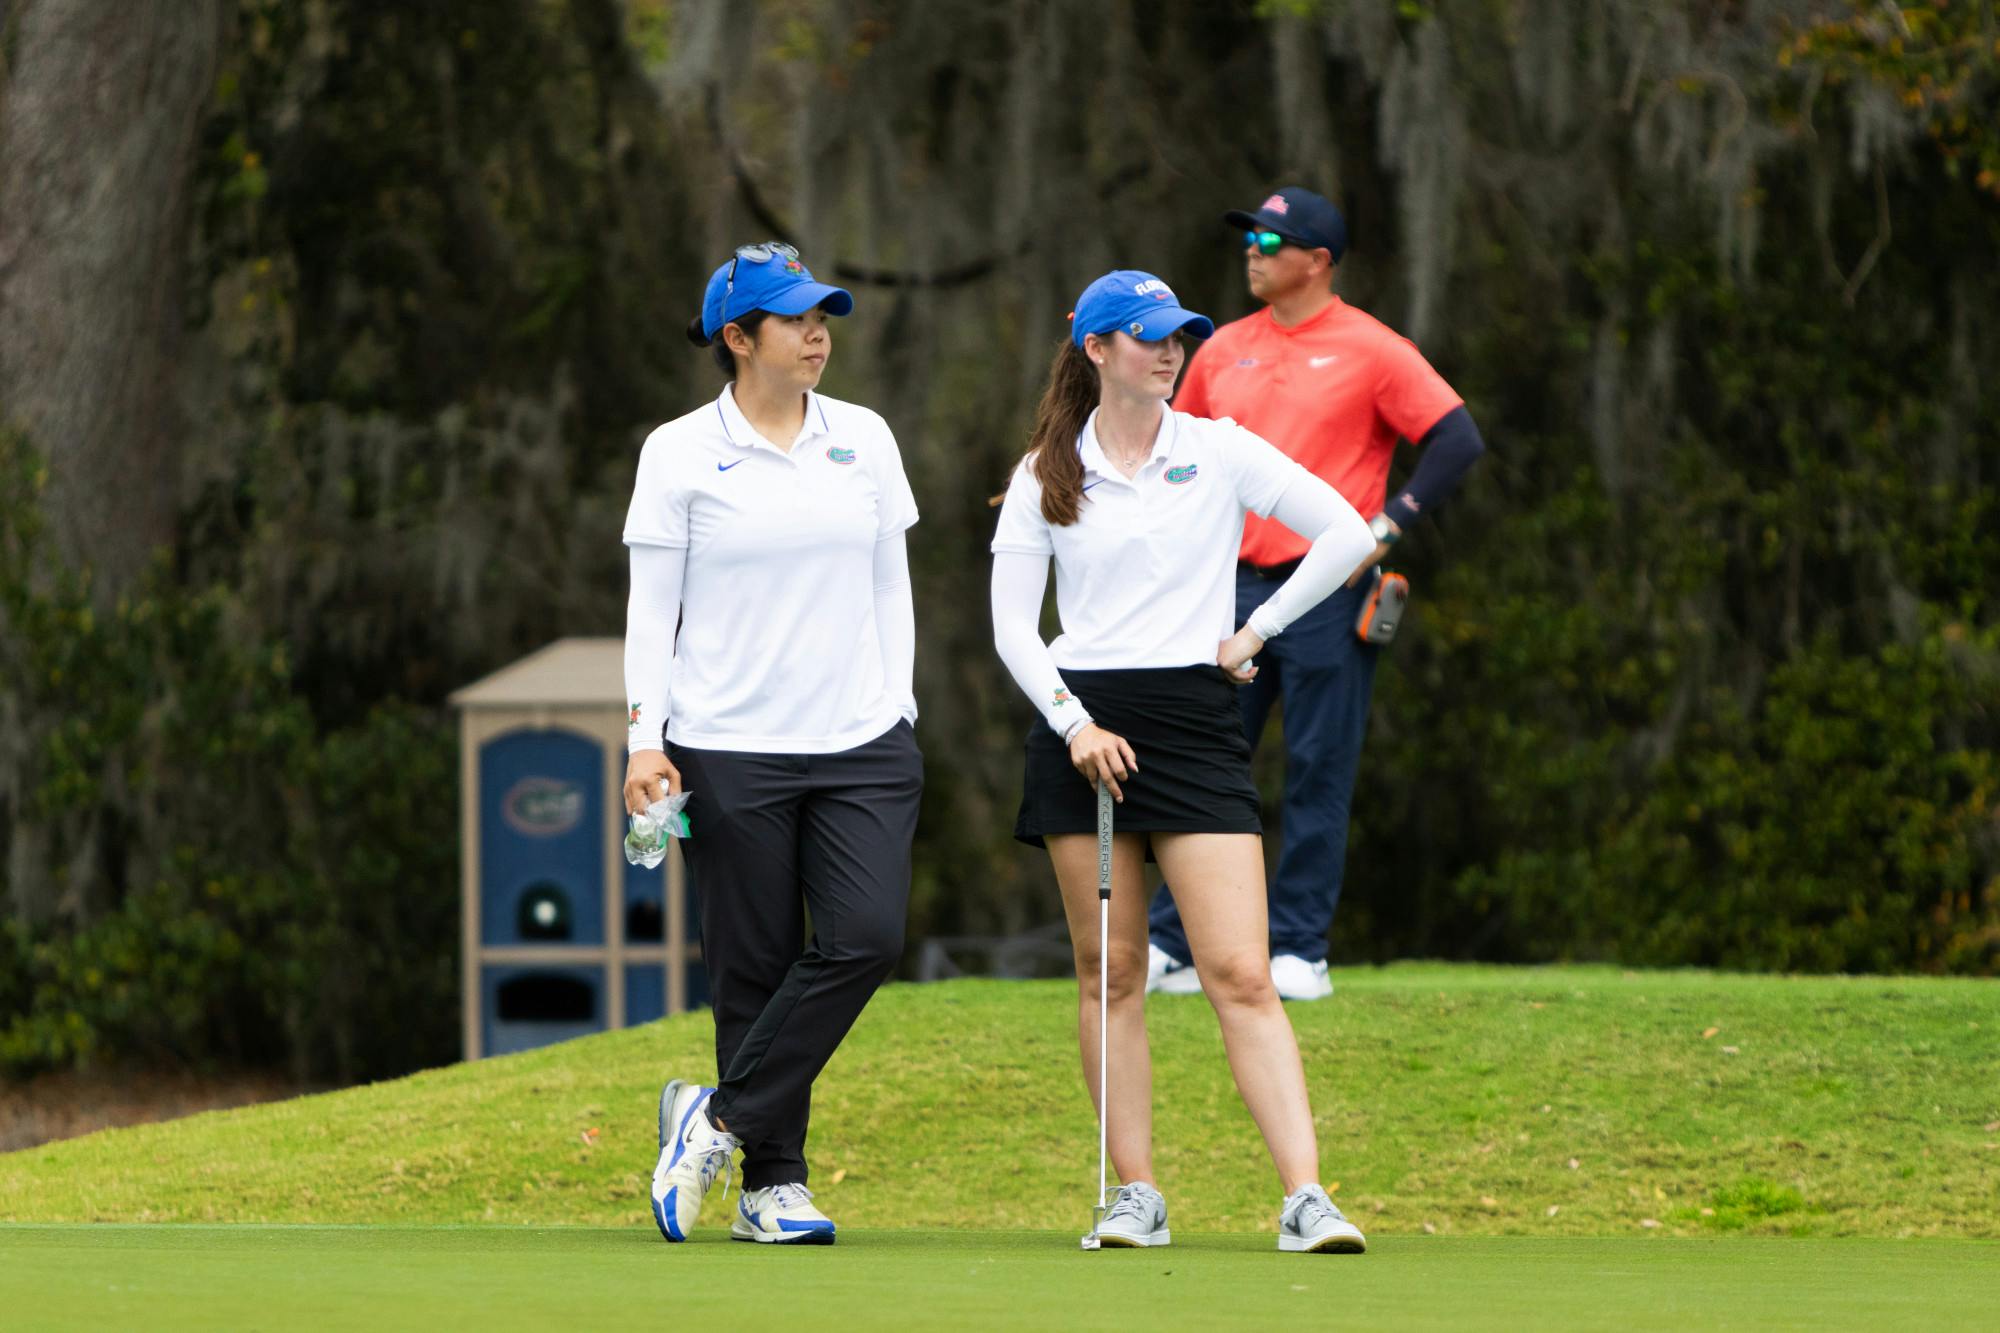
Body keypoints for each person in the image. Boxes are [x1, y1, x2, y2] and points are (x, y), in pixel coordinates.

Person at [990, 269, 1376, 1253]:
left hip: (1194, 719)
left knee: (1241, 970)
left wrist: (1260, 628)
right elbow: (1012, 631)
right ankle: (1135, 1193)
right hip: (1083, 725)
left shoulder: (1215, 449)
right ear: (1097, 350)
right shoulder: (1045, 473)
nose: (1169, 351)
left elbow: (1342, 531)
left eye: (1178, 337)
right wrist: (1073, 722)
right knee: (1108, 970)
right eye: (1148, 336)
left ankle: (1305, 1197)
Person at [624, 242, 922, 1246]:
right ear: (735, 338)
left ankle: (711, 1121)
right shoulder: (676, 451)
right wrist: (643, 740)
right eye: (793, 320)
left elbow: (890, 579)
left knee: (864, 938)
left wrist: (898, 701)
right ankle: (771, 1186)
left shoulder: (866, 437)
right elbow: (648, 607)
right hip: (726, 743)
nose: (816, 333)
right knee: (752, 967)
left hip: (860, 742)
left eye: (821, 316)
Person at [1146, 186, 1488, 1002]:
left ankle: (1300, 948)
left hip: (1329, 591)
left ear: (1318, 260)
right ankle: (1179, 940)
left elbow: (1455, 438)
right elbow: (1173, 450)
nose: (1253, 251)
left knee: (1316, 769)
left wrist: (1390, 524)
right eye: (1250, 238)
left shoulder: (1372, 348)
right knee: (1203, 767)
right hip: (1227, 590)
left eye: (1270, 240)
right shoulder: (1222, 348)